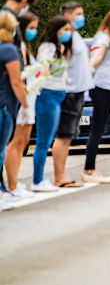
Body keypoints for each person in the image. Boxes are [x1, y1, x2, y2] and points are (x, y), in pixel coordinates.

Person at [81, 8, 110, 183]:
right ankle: (89, 169)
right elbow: (98, 56)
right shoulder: (105, 37)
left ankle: (90, 168)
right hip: (102, 86)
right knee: (97, 129)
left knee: (98, 129)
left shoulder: (109, 37)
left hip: (107, 86)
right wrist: (90, 67)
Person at [51, 1, 93, 188]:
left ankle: (63, 175)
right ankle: (60, 177)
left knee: (68, 136)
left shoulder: (75, 36)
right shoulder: (65, 37)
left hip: (79, 91)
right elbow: (59, 59)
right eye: (78, 13)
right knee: (63, 135)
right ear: (67, 15)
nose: (81, 17)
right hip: (70, 91)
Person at [31, 16, 73, 192]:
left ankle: (39, 179)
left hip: (58, 95)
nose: (68, 34)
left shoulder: (60, 48)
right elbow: (44, 67)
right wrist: (44, 72)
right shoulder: (47, 48)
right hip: (48, 96)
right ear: (56, 30)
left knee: (48, 139)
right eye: (65, 30)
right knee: (43, 141)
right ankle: (37, 180)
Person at [5, 12, 39, 197]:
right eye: (31, 27)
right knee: (16, 142)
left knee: (24, 141)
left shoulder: (25, 46)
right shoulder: (16, 48)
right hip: (22, 97)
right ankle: (11, 184)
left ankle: (14, 182)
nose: (34, 31)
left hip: (31, 96)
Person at [0, 12, 27, 209]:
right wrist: (25, 104)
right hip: (5, 104)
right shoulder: (9, 50)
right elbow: (16, 81)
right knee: (1, 149)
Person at [1, 0, 38, 65]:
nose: (26, 8)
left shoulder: (9, 16)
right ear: (24, 0)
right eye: (27, 4)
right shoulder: (7, 20)